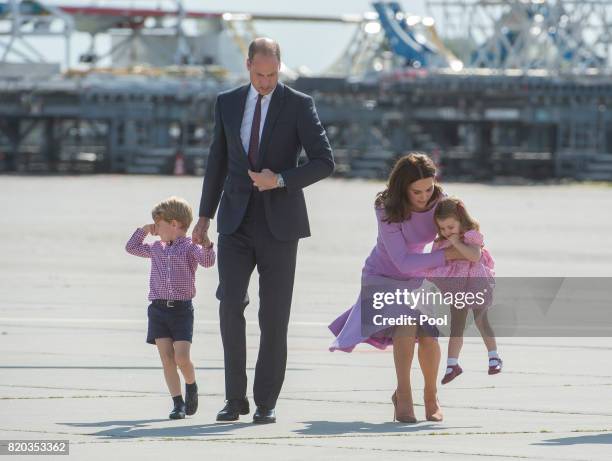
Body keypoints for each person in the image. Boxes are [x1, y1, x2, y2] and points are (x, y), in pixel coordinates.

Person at [192, 37, 334, 424]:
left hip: (280, 225)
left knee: (274, 316)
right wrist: (204, 216)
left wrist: (283, 179)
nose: (266, 82)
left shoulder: (299, 104)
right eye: (259, 74)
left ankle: (266, 401)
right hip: (234, 221)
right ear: (248, 65)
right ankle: (233, 399)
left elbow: (324, 162)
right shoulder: (227, 102)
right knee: (229, 305)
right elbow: (216, 160)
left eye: (272, 75)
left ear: (280, 67)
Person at [329, 153, 468, 423]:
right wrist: (448, 256)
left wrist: (471, 245)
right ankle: (403, 395)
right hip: (383, 275)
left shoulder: (441, 201)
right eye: (417, 191)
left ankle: (431, 396)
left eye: (429, 188)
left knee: (429, 332)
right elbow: (403, 262)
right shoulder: (385, 207)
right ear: (402, 187)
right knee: (405, 323)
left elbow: (460, 231)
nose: (424, 196)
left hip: (420, 274)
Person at [126, 196, 215, 420]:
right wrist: (144, 230)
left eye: (158, 224)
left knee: (181, 358)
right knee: (167, 358)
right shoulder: (156, 247)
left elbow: (207, 262)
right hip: (157, 310)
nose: (156, 229)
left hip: (181, 311)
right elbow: (131, 248)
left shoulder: (190, 247)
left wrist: (207, 244)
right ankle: (178, 403)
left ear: (174, 224)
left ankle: (191, 384)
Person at [423, 196, 501, 384]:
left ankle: (494, 356)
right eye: (442, 228)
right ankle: (452, 364)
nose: (446, 232)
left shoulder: (471, 235)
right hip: (456, 286)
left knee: (481, 319)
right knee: (456, 326)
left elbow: (474, 256)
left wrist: (456, 243)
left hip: (475, 282)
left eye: (450, 227)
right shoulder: (441, 240)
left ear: (460, 220)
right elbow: (436, 258)